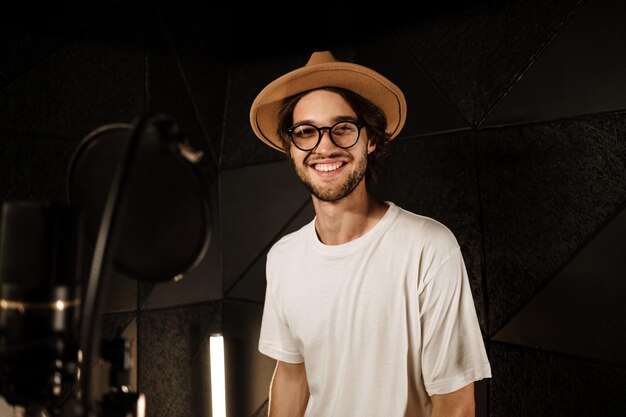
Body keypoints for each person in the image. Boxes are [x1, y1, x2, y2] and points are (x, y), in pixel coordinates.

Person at [249, 51, 492, 417]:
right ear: (291, 147)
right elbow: (291, 377)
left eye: (343, 128)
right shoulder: (283, 258)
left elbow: (455, 403)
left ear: (371, 139)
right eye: (305, 132)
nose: (324, 146)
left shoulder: (429, 248)